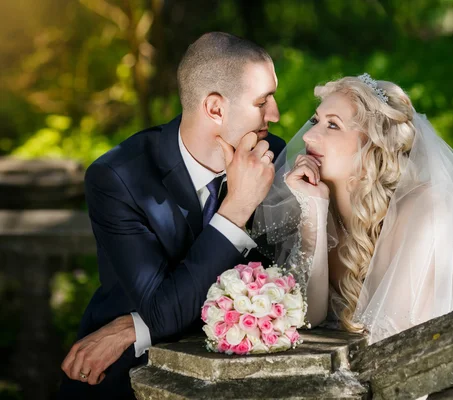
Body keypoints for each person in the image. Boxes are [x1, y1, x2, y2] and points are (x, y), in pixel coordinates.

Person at [252, 73, 453, 398]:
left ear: (375, 141)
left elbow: (394, 344)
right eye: (315, 120)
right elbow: (310, 316)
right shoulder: (317, 198)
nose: (310, 136)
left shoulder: (427, 206)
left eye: (332, 125)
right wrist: (314, 209)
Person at [59, 32, 285, 399]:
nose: (275, 114)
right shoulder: (119, 178)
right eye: (263, 102)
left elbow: (277, 286)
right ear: (215, 108)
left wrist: (132, 326)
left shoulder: (270, 155)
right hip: (125, 377)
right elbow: (163, 310)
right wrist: (237, 209)